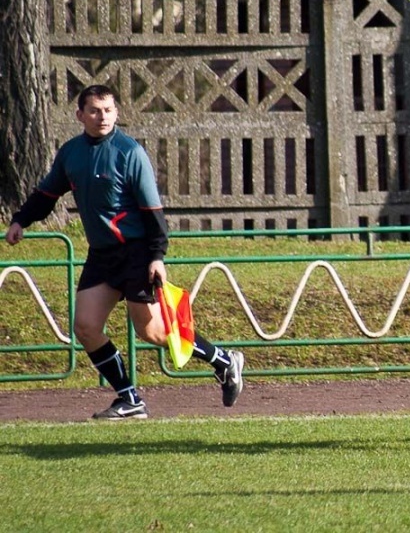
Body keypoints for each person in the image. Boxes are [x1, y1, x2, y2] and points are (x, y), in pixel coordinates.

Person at [4, 84, 245, 420]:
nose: (102, 117)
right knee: (86, 327)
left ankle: (223, 360)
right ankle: (130, 399)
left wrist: (157, 256)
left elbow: (153, 210)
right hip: (102, 255)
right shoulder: (71, 153)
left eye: (108, 110)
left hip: (136, 252)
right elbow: (47, 195)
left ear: (116, 113)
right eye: (94, 110)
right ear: (80, 115)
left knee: (153, 332)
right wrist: (21, 220)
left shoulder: (129, 152)